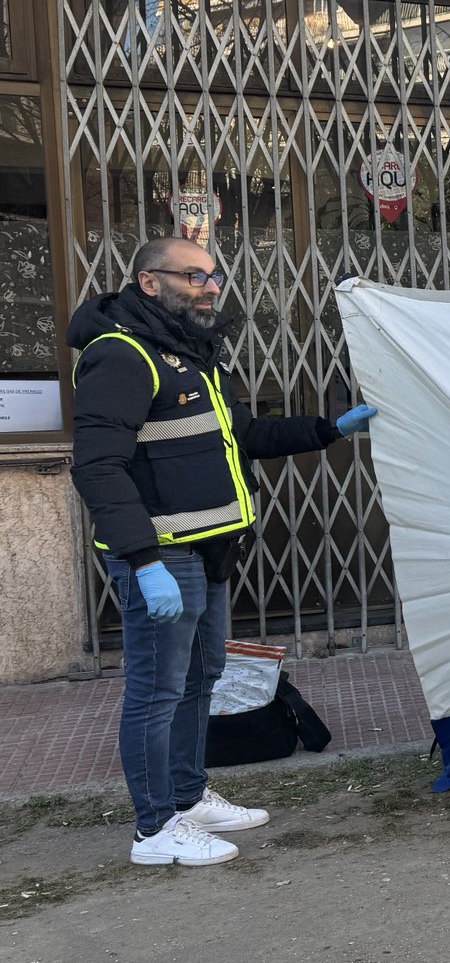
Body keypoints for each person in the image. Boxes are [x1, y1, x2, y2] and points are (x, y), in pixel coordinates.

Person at [68, 236, 377, 867]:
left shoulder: (192, 352)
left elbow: (241, 435)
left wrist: (326, 429)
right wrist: (144, 561)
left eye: (213, 277)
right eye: (195, 277)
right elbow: (98, 467)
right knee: (156, 692)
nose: (211, 288)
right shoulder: (121, 355)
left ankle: (187, 796)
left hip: (211, 551)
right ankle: (155, 830)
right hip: (163, 556)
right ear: (150, 282)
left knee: (200, 679)